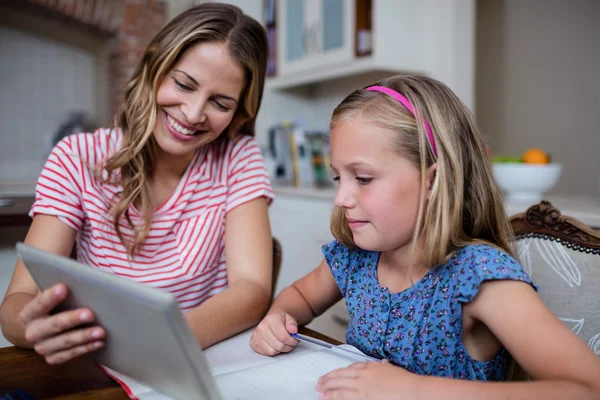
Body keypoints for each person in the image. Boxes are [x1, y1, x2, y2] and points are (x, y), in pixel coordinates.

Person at [250, 75, 600, 399]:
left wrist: (415, 390)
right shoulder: (356, 255)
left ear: (433, 180)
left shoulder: (479, 276)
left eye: (364, 178)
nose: (341, 198)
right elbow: (301, 297)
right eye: (338, 178)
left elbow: (586, 388)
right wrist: (279, 317)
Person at [0, 3, 274, 365]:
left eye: (220, 103)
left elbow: (252, 289)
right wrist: (32, 326)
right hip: (102, 365)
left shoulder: (237, 157)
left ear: (239, 113)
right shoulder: (76, 158)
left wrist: (165, 342)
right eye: (183, 84)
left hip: (191, 359)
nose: (193, 114)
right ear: (153, 68)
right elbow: (19, 301)